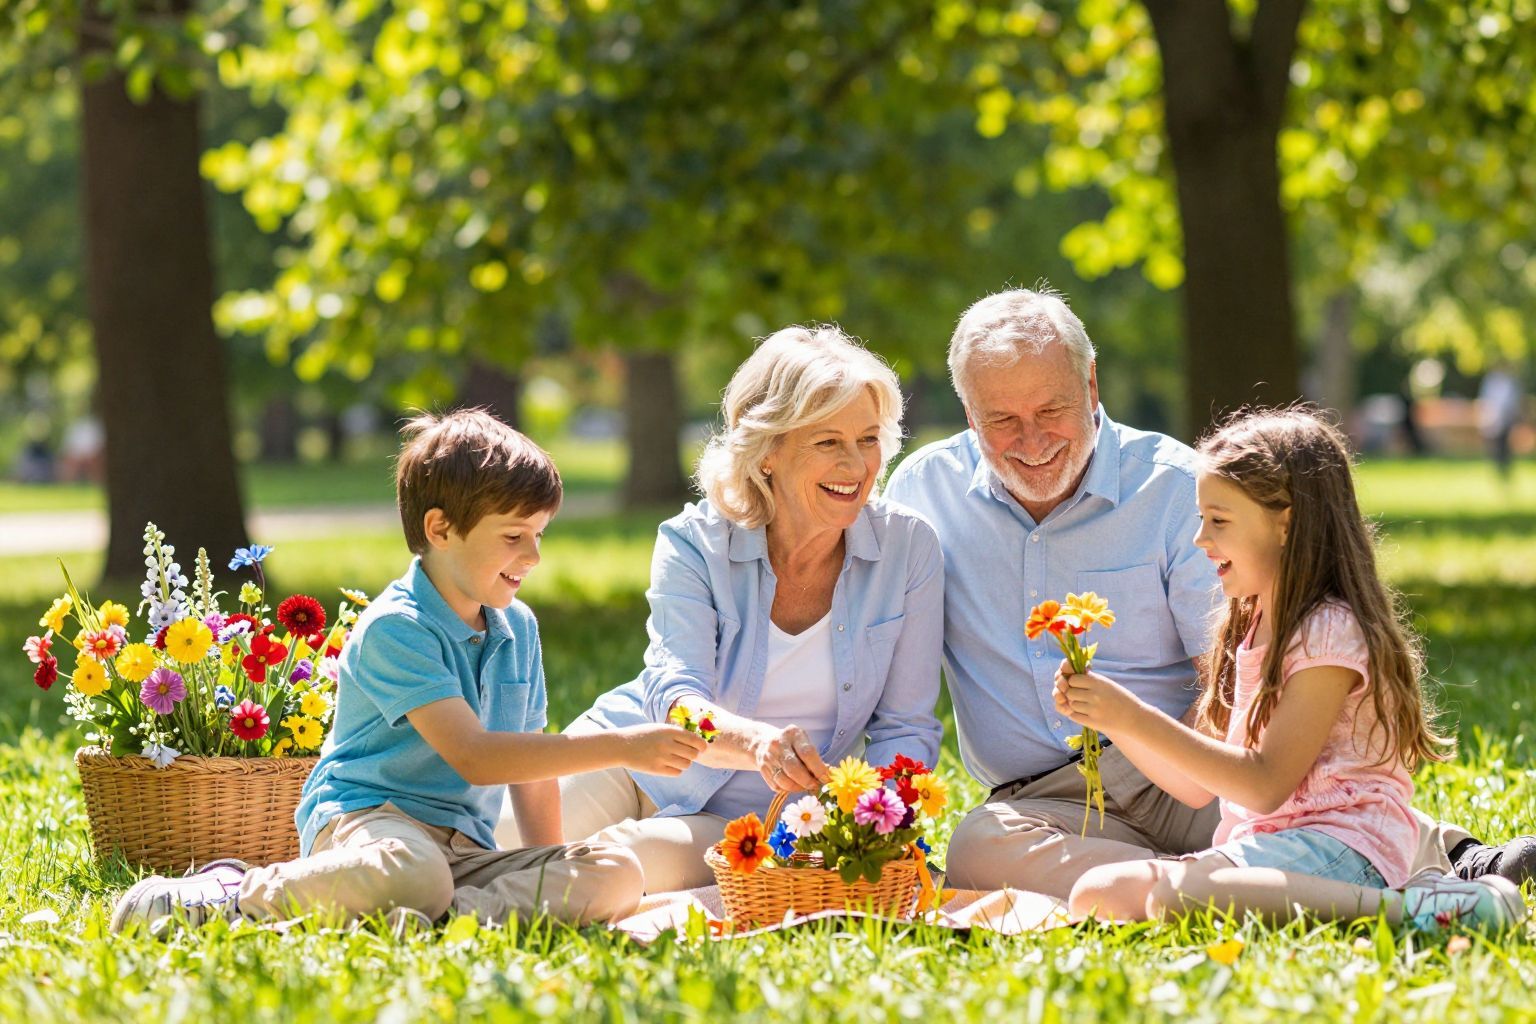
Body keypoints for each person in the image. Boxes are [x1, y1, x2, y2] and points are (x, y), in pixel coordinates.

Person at [884, 286, 1535, 898]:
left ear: (1090, 385)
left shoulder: (1177, 488)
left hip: (1192, 762)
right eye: (1002, 420)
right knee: (975, 848)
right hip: (1045, 801)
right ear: (968, 414)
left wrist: (1176, 749)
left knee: (1296, 795)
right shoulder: (922, 493)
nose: (1032, 442)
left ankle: (1444, 856)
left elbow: (1246, 689)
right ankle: (1226, 883)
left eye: (1051, 410)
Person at [111, 409, 708, 934]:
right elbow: (476, 756)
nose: (533, 556)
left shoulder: (516, 628)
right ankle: (238, 894)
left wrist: (552, 866)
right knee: (411, 872)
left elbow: (530, 777)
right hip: (371, 826)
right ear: (440, 529)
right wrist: (625, 746)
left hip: (461, 850)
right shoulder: (396, 628)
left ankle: (420, 919)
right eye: (514, 536)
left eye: (539, 535)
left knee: (615, 873)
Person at [497, 326, 944, 892]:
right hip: (624, 753)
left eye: (869, 438)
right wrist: (757, 743)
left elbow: (906, 727)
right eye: (828, 442)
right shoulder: (695, 543)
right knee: (495, 842)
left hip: (750, 819)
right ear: (767, 453)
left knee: (600, 871)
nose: (856, 465)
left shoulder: (909, 550)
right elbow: (676, 701)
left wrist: (868, 826)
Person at [1059, 408, 1526, 930]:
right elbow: (1195, 788)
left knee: (1179, 896)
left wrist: (1137, 715)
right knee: (1098, 893)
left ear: (1285, 522)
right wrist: (1113, 719)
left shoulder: (1328, 632)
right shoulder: (1249, 623)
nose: (1200, 539)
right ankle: (1418, 897)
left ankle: (1420, 910)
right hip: (1275, 844)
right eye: (1200, 519)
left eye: (1219, 520)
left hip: (1348, 845)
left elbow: (1264, 785)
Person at [1478, 364, 1523, 480]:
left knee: (1505, 447)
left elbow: (1512, 402)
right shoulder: (1491, 381)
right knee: (1496, 447)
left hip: (1506, 419)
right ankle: (1499, 469)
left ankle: (1505, 470)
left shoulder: (1509, 382)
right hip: (1494, 419)